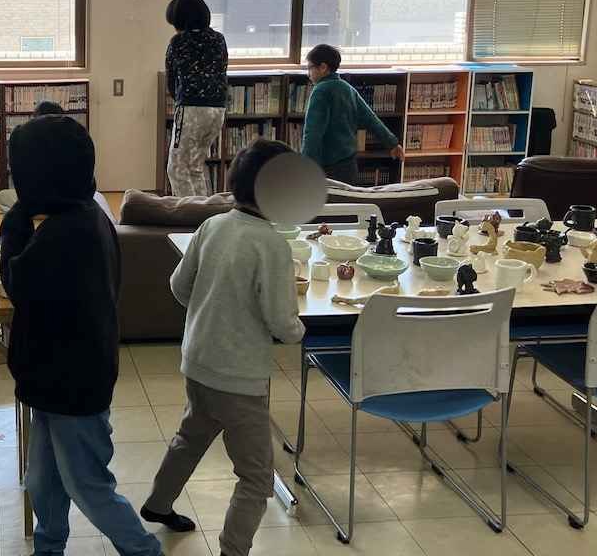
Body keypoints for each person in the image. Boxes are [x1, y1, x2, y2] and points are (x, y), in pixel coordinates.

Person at [1, 115, 163, 556]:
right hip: (55, 379)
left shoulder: (67, 232)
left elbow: (17, 282)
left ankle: (145, 550)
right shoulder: (83, 213)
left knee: (88, 485)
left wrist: (14, 221)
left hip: (73, 383)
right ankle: (49, 546)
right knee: (42, 479)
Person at [141, 139, 306, 556]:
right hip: (239, 378)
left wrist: (214, 306)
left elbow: (179, 287)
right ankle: (233, 550)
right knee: (256, 477)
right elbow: (282, 322)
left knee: (191, 436)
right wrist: (300, 331)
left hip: (198, 361)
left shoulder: (212, 225)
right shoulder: (272, 245)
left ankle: (158, 503)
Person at [301, 44, 403, 184]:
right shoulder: (348, 89)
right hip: (349, 165)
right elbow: (371, 119)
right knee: (348, 198)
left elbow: (313, 133)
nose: (308, 74)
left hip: (327, 166)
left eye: (310, 68)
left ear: (323, 67)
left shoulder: (320, 91)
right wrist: (392, 143)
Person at [164, 0, 229, 197]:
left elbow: (171, 80)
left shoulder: (178, 42)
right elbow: (223, 69)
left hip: (191, 109)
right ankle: (202, 210)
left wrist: (179, 100)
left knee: (176, 169)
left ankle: (189, 213)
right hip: (217, 110)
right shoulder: (219, 39)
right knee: (195, 167)